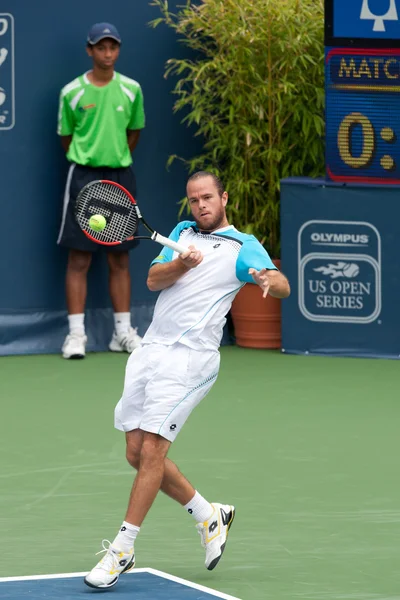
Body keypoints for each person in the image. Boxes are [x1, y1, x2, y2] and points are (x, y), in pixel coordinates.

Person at [84, 171, 291, 589]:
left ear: (224, 198)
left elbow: (281, 284)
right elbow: (153, 280)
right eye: (194, 199)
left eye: (208, 198)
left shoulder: (242, 246)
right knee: (136, 453)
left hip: (190, 361)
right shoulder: (182, 232)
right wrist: (181, 261)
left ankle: (122, 550)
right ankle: (208, 515)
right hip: (150, 352)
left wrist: (269, 279)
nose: (201, 206)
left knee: (154, 452)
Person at [57, 23, 145, 359]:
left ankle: (122, 333)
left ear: (118, 50)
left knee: (119, 257)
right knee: (78, 258)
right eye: (101, 48)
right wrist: (91, 157)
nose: (107, 54)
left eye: (113, 47)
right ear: (89, 50)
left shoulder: (132, 89)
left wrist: (114, 158)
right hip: (83, 177)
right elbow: (67, 138)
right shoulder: (71, 92)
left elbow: (134, 132)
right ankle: (76, 335)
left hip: (120, 177)